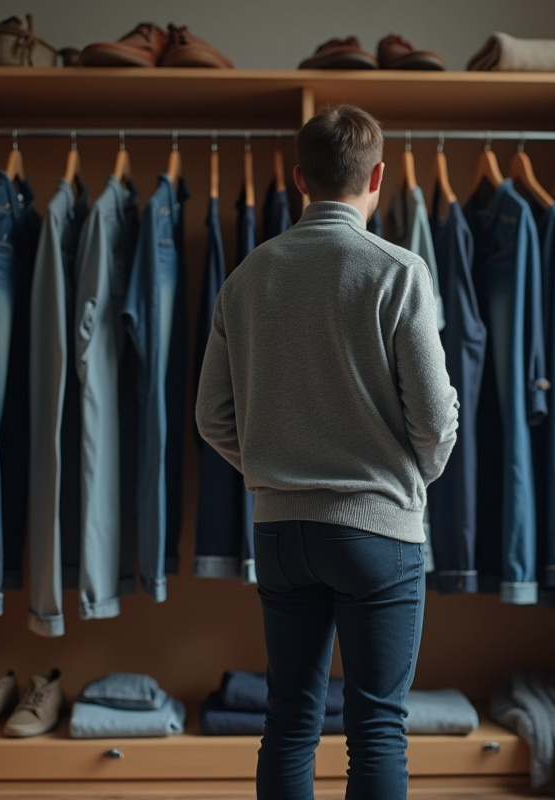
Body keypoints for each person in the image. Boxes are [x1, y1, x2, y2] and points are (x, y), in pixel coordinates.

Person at [196, 104, 459, 800]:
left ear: (296, 178)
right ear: (379, 177)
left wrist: (270, 475)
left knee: (288, 719)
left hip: (281, 534)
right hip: (379, 534)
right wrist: (411, 478)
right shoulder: (399, 271)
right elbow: (434, 419)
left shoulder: (247, 277)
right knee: (376, 724)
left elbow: (210, 417)